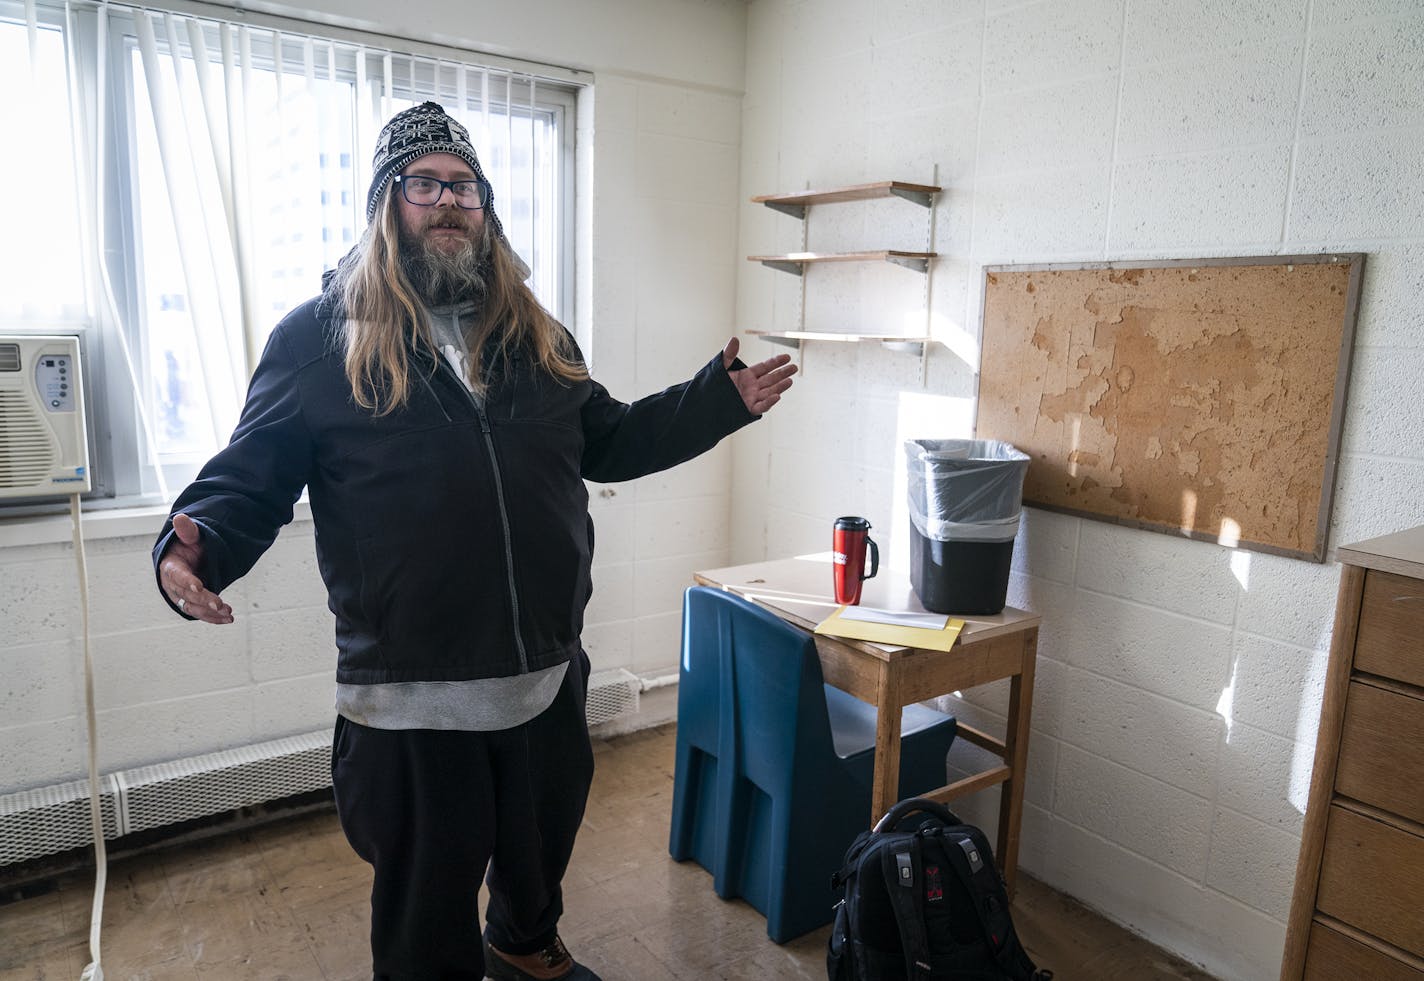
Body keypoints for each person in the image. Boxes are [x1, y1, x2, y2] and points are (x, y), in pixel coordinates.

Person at [152, 101, 795, 981]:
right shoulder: (319, 340)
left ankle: (525, 950)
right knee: (424, 915)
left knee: (538, 866)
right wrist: (194, 547)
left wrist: (715, 401)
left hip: (543, 676)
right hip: (412, 704)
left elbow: (608, 437)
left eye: (464, 186)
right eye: (424, 184)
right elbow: (252, 470)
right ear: (387, 204)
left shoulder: (531, 335)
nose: (447, 200)